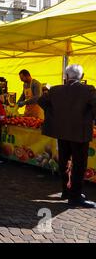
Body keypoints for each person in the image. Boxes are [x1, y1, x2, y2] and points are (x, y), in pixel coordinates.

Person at [38, 65, 96, 208]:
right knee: (78, 165)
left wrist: (54, 115)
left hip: (61, 132)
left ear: (66, 76)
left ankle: (66, 191)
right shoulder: (88, 90)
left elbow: (41, 101)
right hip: (80, 133)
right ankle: (74, 196)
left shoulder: (55, 90)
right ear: (81, 77)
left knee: (64, 162)